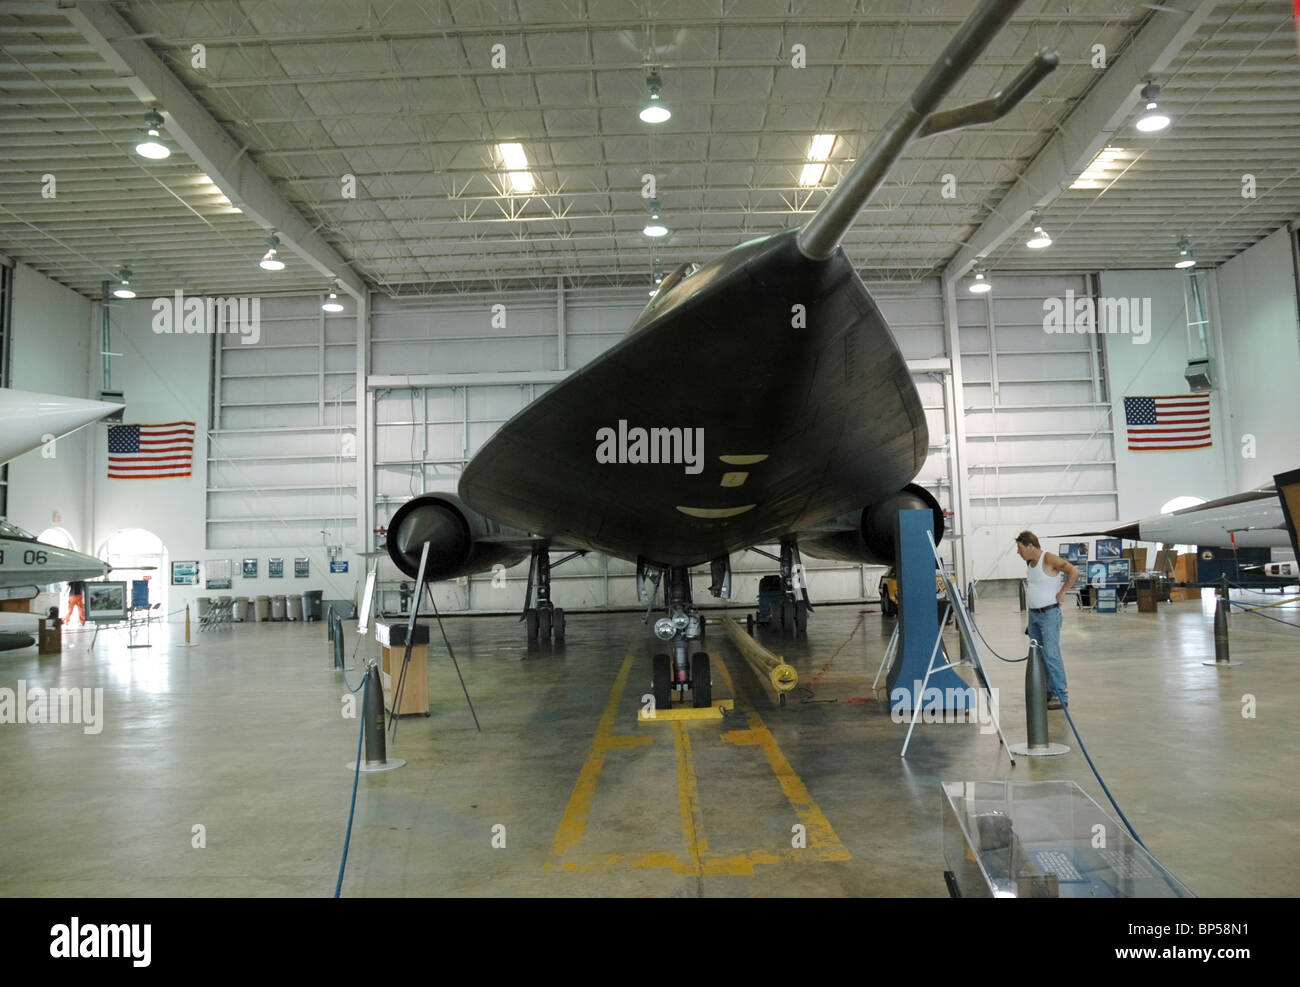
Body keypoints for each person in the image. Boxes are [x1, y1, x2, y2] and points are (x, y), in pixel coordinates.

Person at [1014, 531, 1080, 709]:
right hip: (1034, 615)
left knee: (1051, 655)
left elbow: (1073, 571)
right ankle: (1048, 692)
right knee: (1040, 656)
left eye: (1020, 548)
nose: (1018, 552)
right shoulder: (1030, 563)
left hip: (1049, 615)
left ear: (1030, 546)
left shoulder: (1049, 558)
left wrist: (1063, 591)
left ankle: (1060, 695)